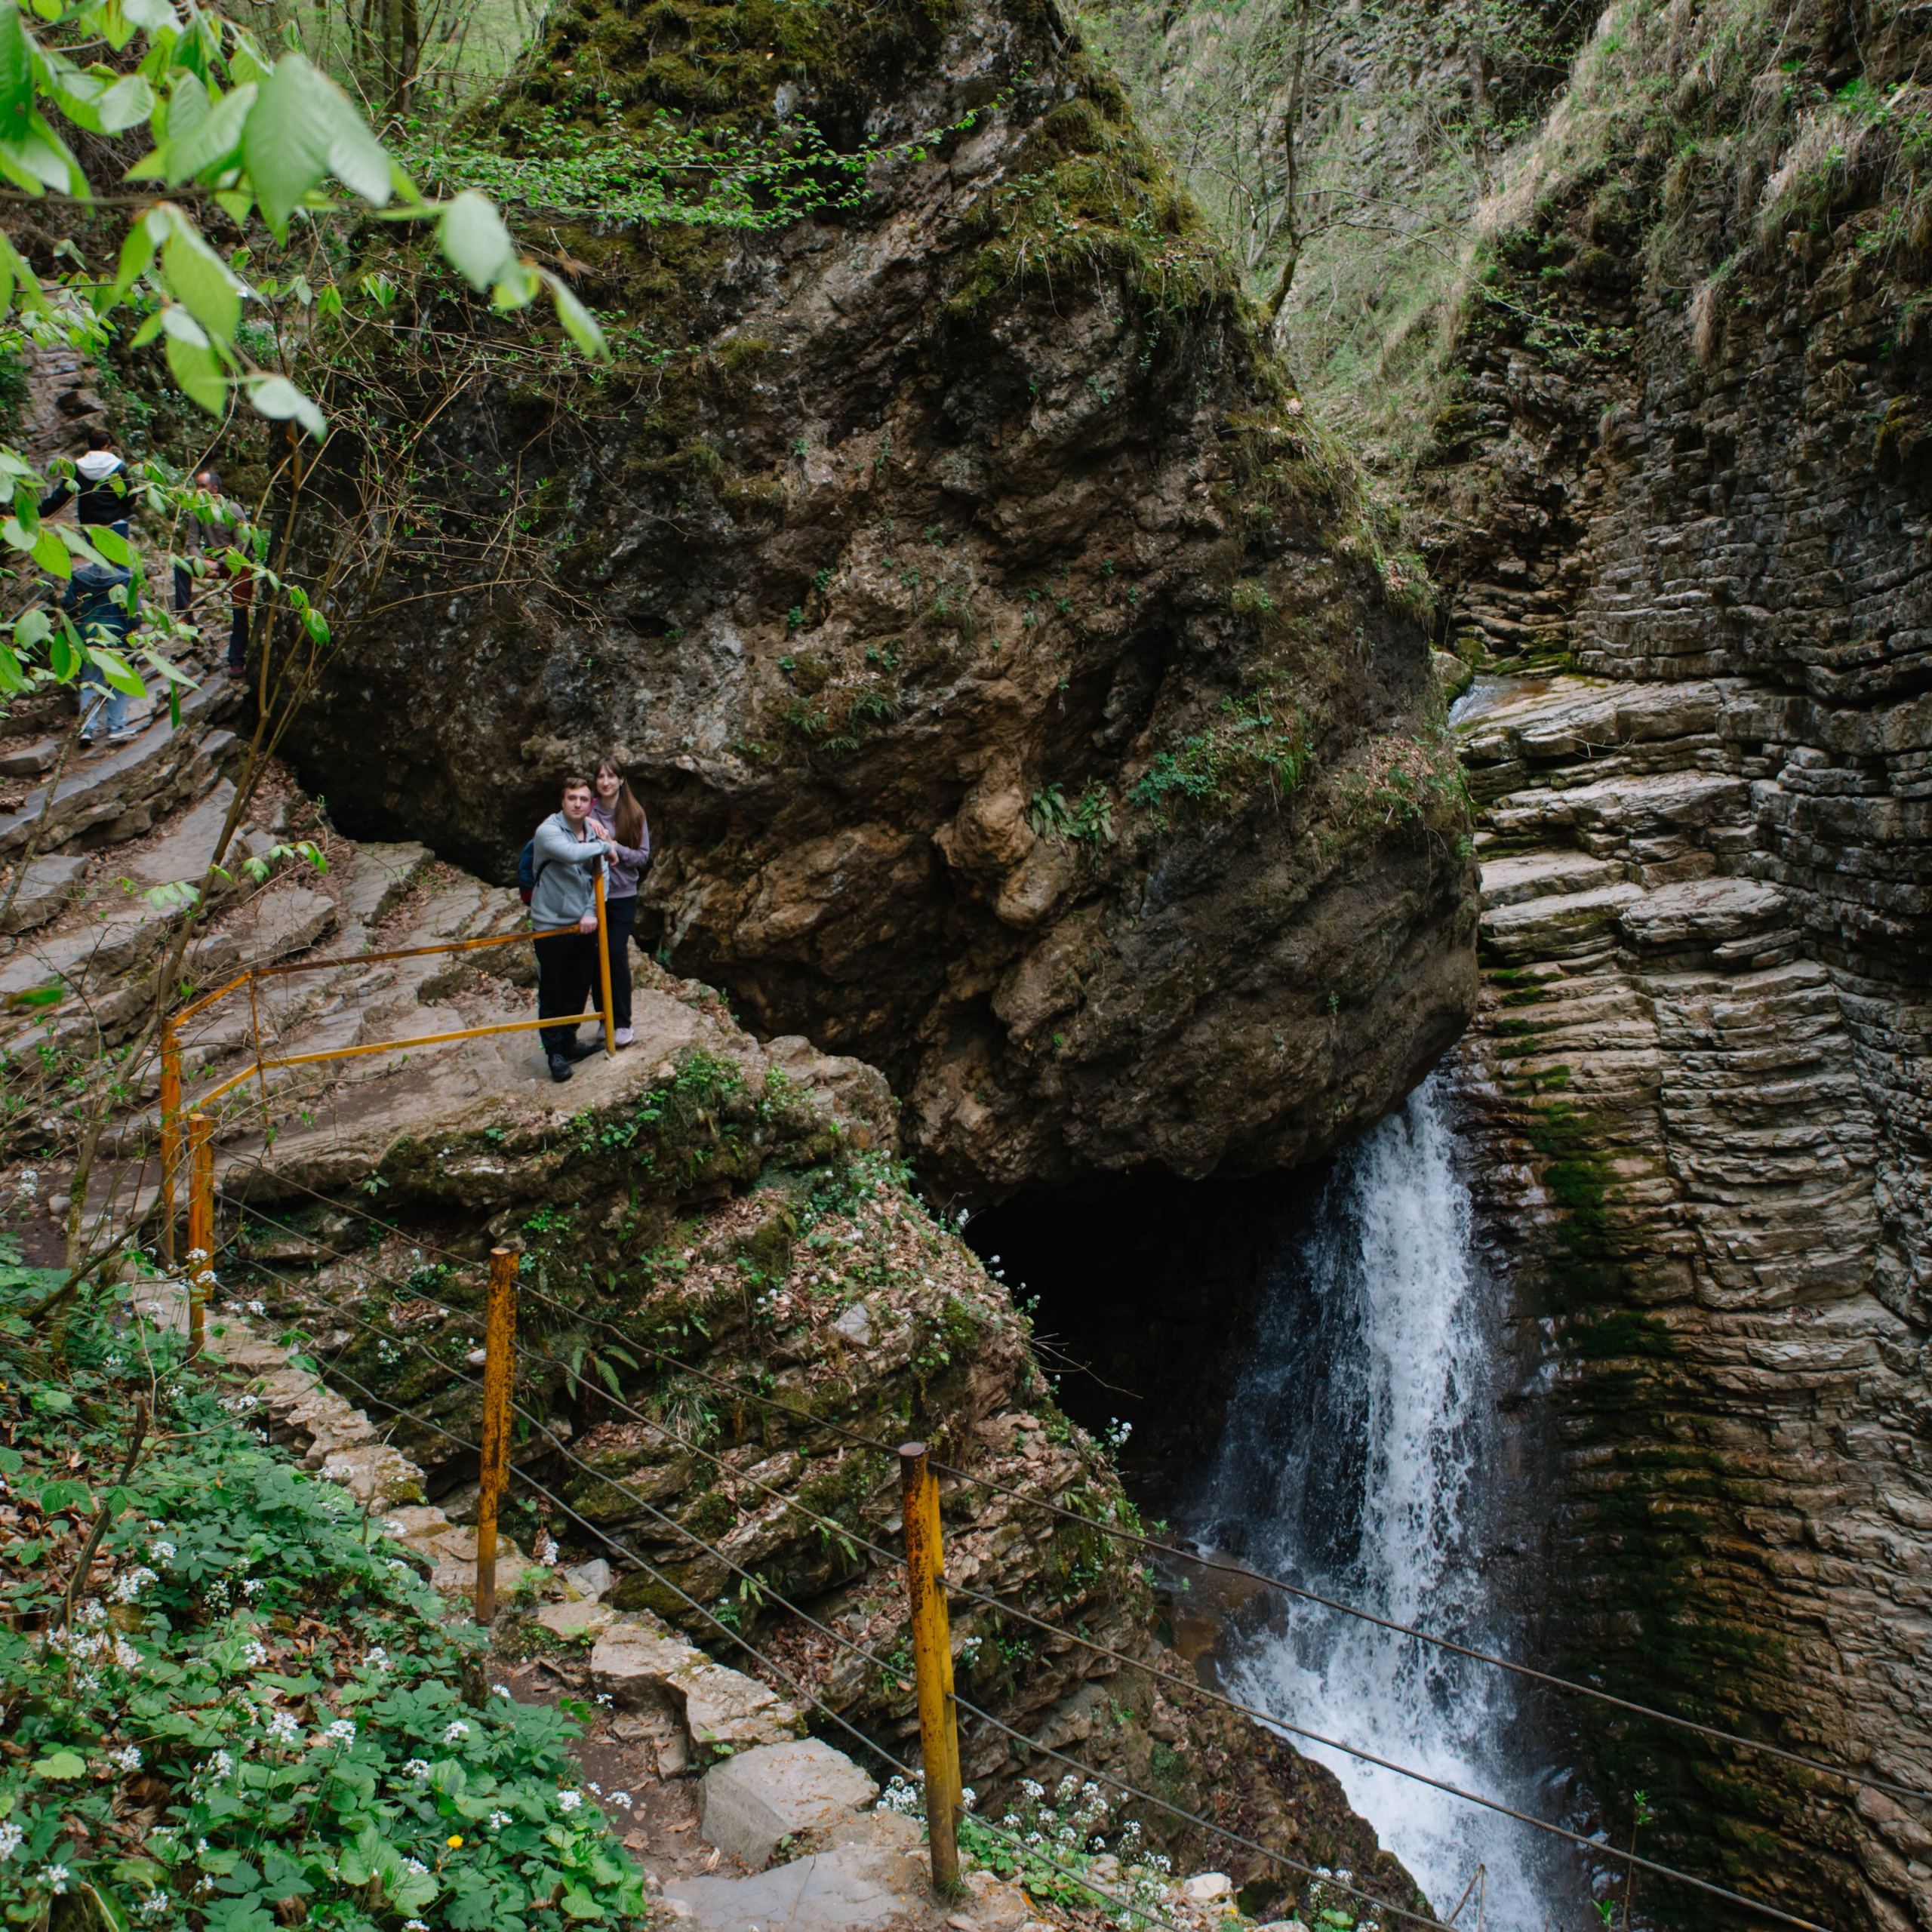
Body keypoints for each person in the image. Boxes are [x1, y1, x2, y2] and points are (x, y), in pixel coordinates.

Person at [529, 776, 615, 1083]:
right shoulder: (548, 831)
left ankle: (569, 1040)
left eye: (583, 799)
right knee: (553, 988)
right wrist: (608, 846)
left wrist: (592, 912)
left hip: (584, 924)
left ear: (590, 803)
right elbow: (572, 854)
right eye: (571, 798)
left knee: (579, 985)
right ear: (562, 802)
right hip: (551, 924)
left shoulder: (592, 831)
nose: (577, 804)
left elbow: (602, 871)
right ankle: (554, 1052)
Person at [587, 755, 651, 1048]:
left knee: (615, 952)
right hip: (593, 894)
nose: (606, 782)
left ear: (621, 780)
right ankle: (604, 1020)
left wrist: (616, 848)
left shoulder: (634, 813)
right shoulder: (588, 811)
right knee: (596, 955)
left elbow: (642, 857)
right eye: (600, 777)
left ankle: (622, 1023)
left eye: (611, 776)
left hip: (624, 894)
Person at [65, 556, 137, 745]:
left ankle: (86, 729)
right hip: (116, 635)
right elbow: (133, 611)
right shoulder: (123, 579)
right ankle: (116, 726)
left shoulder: (80, 577)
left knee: (90, 682)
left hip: (87, 636)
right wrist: (134, 633)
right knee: (119, 681)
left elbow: (68, 604)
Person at [40, 426, 131, 540]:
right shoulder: (118, 467)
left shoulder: (78, 467)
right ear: (105, 446)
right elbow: (127, 498)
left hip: (90, 524)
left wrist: (38, 513)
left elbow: (60, 496)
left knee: (98, 558)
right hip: (116, 521)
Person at [175, 466, 223, 618]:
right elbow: (192, 543)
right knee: (181, 566)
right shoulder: (197, 513)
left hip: (233, 562)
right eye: (197, 486)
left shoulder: (232, 510)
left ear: (214, 489)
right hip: (210, 560)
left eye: (203, 486)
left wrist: (220, 563)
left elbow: (242, 544)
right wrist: (202, 562)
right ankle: (184, 618)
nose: (198, 490)